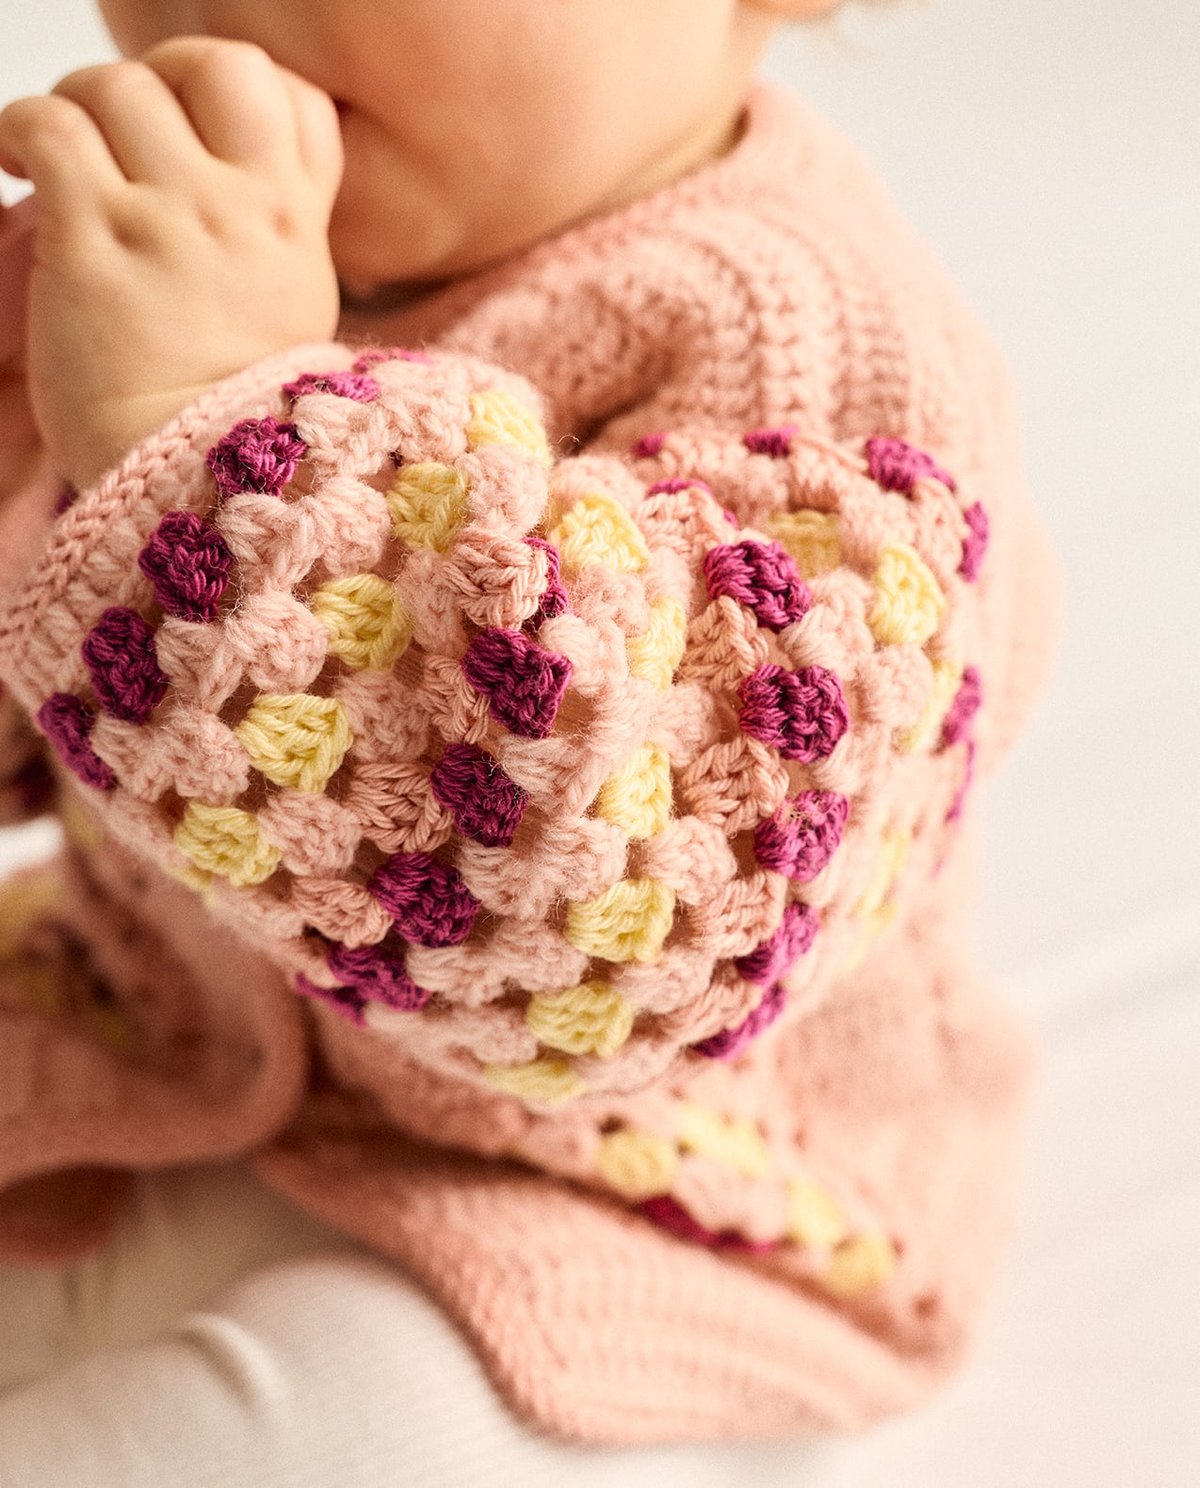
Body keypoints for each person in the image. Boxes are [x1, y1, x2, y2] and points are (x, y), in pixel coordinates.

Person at [0, 0, 1059, 1479]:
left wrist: (194, 429)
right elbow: (84, 721)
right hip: (156, 1056)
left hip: (626, 1212)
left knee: (303, 1427)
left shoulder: (824, 361)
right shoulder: (205, 250)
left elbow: (625, 929)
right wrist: (38, 468)